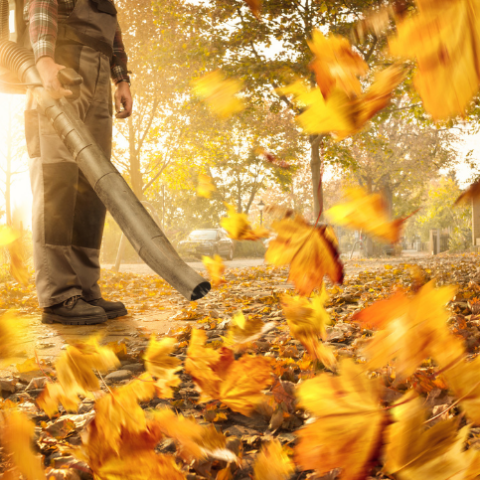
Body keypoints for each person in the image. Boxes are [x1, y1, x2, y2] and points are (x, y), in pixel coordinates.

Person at [23, 0, 133, 325]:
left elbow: (114, 36)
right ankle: (58, 295)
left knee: (92, 187)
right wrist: (43, 61)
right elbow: (41, 5)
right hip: (61, 69)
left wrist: (121, 79)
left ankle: (85, 288)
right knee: (57, 180)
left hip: (98, 74)